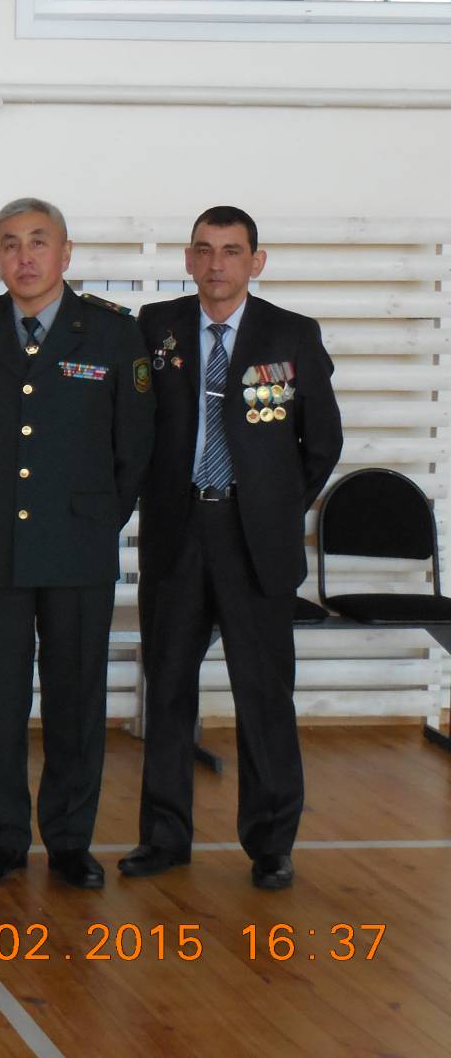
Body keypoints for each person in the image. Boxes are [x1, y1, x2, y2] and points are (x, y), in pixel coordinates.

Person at [120, 205, 342, 891]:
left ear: (256, 261)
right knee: (168, 688)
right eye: (205, 250)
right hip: (177, 531)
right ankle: (164, 837)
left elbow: (322, 443)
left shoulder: (291, 334)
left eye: (232, 250)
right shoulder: (155, 327)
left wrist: (271, 509)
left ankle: (271, 844)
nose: (217, 264)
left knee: (264, 695)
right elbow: (134, 423)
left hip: (256, 541)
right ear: (189, 259)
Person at [0, 197, 154, 890]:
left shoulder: (113, 332)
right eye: (10, 243)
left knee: (76, 702)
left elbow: (135, 446)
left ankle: (68, 841)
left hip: (79, 546)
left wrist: (97, 518)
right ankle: (3, 838)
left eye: (38, 241)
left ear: (66, 253)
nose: (24, 256)